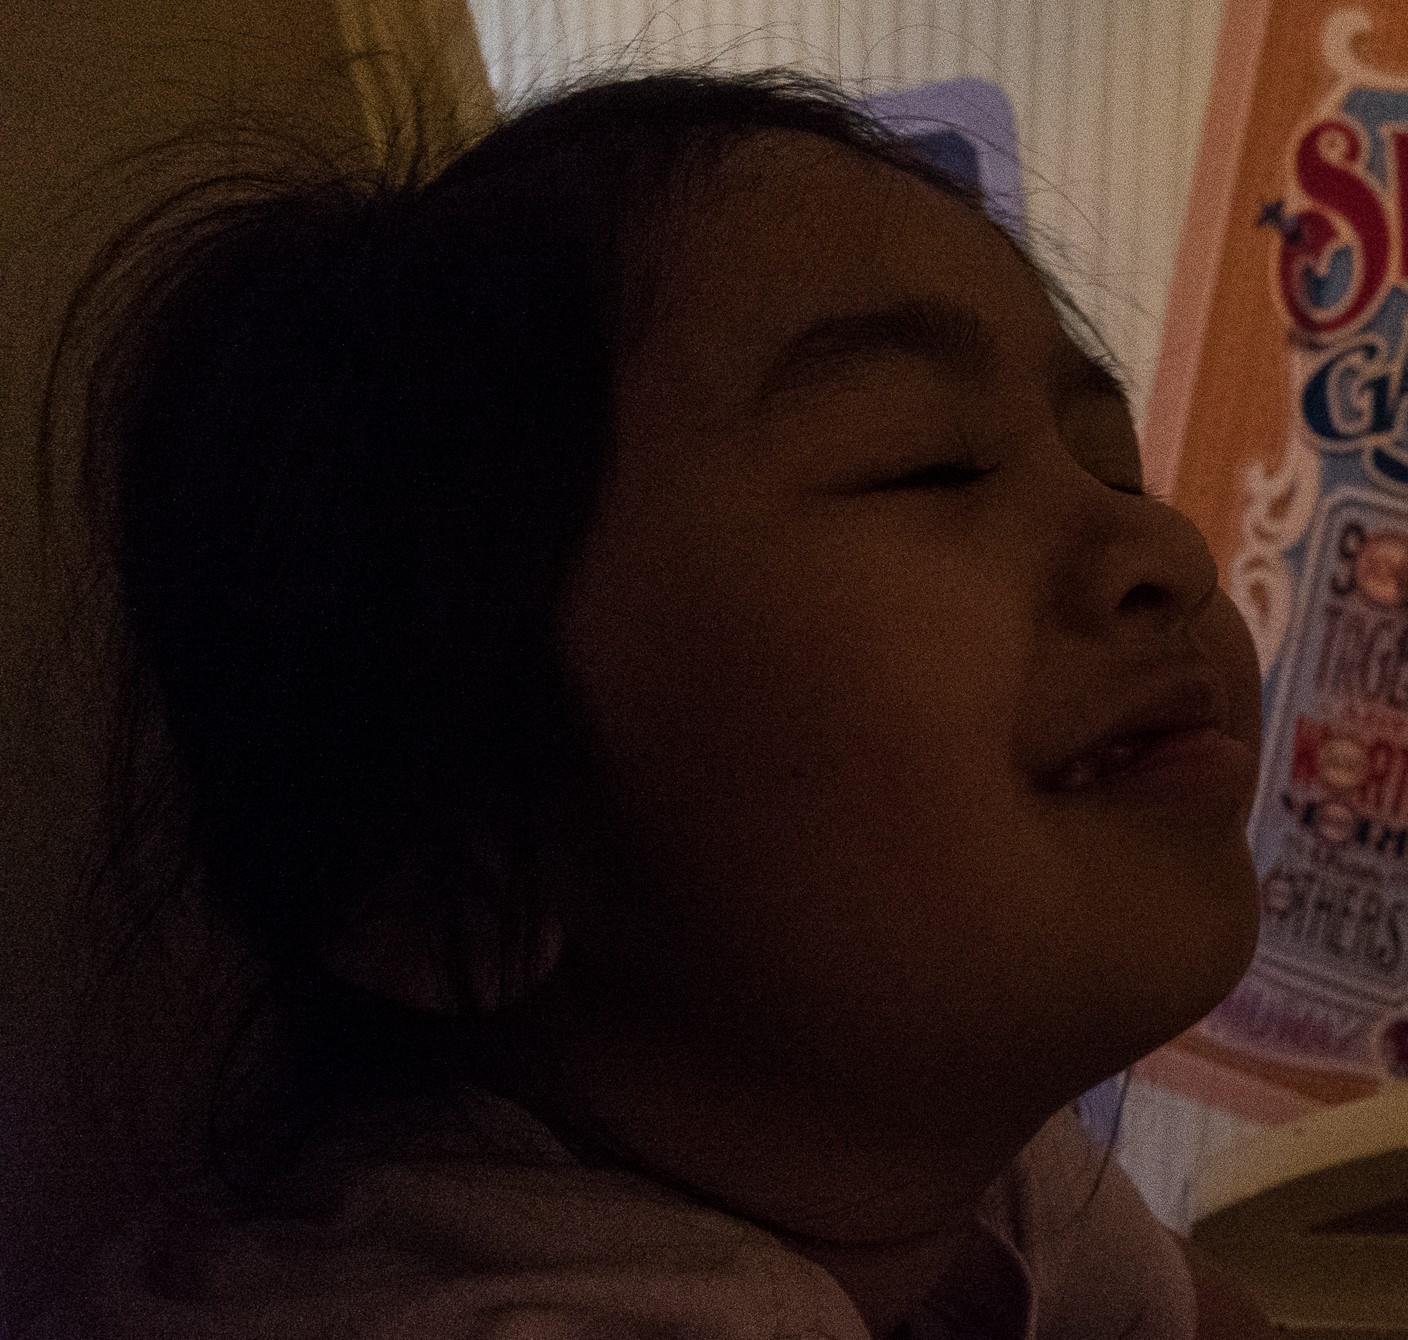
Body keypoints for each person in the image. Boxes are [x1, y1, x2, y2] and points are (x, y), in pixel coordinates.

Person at [40, 68, 1276, 1340]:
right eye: (926, 464)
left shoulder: (961, 1180)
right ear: (461, 870)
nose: (1165, 547)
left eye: (1109, 465)